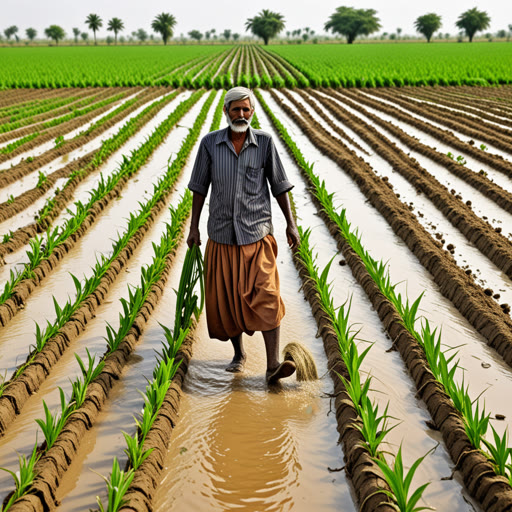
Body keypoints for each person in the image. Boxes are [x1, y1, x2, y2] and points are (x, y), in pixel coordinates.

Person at [186, 86, 300, 384]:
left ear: (252, 112)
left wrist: (291, 223)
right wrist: (193, 227)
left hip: (257, 235)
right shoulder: (210, 144)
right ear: (226, 112)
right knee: (230, 302)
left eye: (246, 109)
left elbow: (279, 185)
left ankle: (272, 364)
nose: (241, 114)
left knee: (267, 296)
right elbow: (199, 187)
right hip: (222, 235)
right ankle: (238, 354)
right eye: (235, 109)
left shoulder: (264, 143)